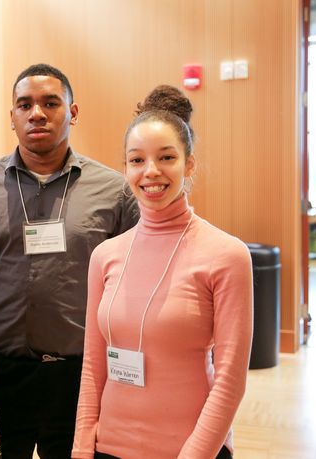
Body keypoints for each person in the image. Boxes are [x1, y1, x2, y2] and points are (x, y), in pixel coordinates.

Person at [0, 63, 138, 458]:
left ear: (73, 112)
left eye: (51, 103)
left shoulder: (115, 192)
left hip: (81, 375)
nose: (37, 113)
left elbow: (132, 290)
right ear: (11, 116)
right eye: (25, 104)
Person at [72, 85, 253, 459]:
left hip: (188, 449)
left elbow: (230, 379)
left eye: (166, 157)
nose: (151, 171)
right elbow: (93, 365)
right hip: (109, 447)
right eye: (136, 160)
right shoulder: (106, 255)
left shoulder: (227, 255)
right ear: (125, 168)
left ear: (189, 164)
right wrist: (80, 448)